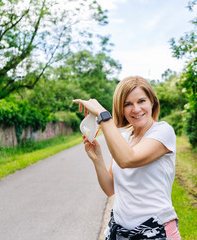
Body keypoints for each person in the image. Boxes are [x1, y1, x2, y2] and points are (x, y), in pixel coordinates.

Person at [73, 76, 181, 240]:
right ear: (121, 108)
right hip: (119, 231)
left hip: (155, 231)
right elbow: (110, 188)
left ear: (152, 102)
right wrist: (98, 159)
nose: (136, 109)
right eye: (127, 104)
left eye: (141, 101)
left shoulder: (163, 132)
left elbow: (128, 159)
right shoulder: (124, 138)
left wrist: (103, 116)